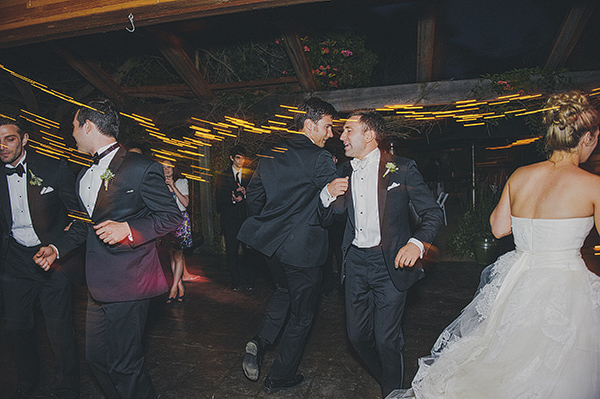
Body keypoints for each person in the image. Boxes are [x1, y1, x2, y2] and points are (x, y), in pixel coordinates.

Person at [400, 91, 600, 399]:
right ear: (586, 138)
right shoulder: (593, 185)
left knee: (504, 355)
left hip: (519, 278)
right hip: (565, 284)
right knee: (556, 366)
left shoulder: (521, 176)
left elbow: (498, 228)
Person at [33, 99, 183, 399]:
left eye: (74, 127)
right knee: (97, 359)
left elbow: (171, 216)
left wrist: (129, 229)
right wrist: (55, 248)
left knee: (125, 365)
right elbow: (84, 225)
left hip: (130, 281)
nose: (72, 133)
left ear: (88, 126)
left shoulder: (142, 167)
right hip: (98, 286)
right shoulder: (82, 175)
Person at [326, 110, 443, 398]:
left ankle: (392, 391)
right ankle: (393, 381)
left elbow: (432, 214)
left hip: (390, 263)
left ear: (369, 135)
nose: (341, 136)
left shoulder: (401, 168)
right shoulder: (343, 171)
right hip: (354, 263)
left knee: (387, 339)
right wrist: (326, 195)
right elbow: (331, 219)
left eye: (347, 130)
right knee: (356, 337)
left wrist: (416, 244)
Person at [237, 97, 348, 393]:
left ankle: (259, 341)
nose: (331, 134)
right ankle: (280, 376)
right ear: (310, 124)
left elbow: (253, 198)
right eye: (327, 126)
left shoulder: (272, 153)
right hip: (304, 250)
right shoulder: (319, 158)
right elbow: (335, 207)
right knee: (303, 316)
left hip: (272, 247)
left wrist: (269, 224)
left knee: (283, 291)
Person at [0, 117, 81, 399]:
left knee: (59, 328)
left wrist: (58, 247)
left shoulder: (52, 168)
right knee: (16, 326)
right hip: (12, 261)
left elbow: (79, 216)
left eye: (9, 138)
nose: (2, 145)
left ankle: (68, 387)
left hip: (51, 259)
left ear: (25, 139)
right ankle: (28, 382)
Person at [215, 145, 255, 291]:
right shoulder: (223, 176)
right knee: (231, 253)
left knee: (249, 252)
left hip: (246, 221)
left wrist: (246, 194)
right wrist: (231, 199)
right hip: (230, 221)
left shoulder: (250, 176)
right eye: (238, 157)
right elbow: (218, 200)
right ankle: (235, 282)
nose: (241, 160)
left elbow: (258, 198)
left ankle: (250, 282)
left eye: (243, 157)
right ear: (232, 158)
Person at [161, 160, 192, 303]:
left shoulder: (182, 181)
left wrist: (173, 185)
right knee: (171, 256)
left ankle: (173, 288)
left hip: (180, 221)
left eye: (168, 167)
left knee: (178, 256)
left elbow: (185, 203)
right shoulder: (160, 184)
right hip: (167, 222)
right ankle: (180, 285)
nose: (166, 169)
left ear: (174, 168)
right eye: (163, 167)